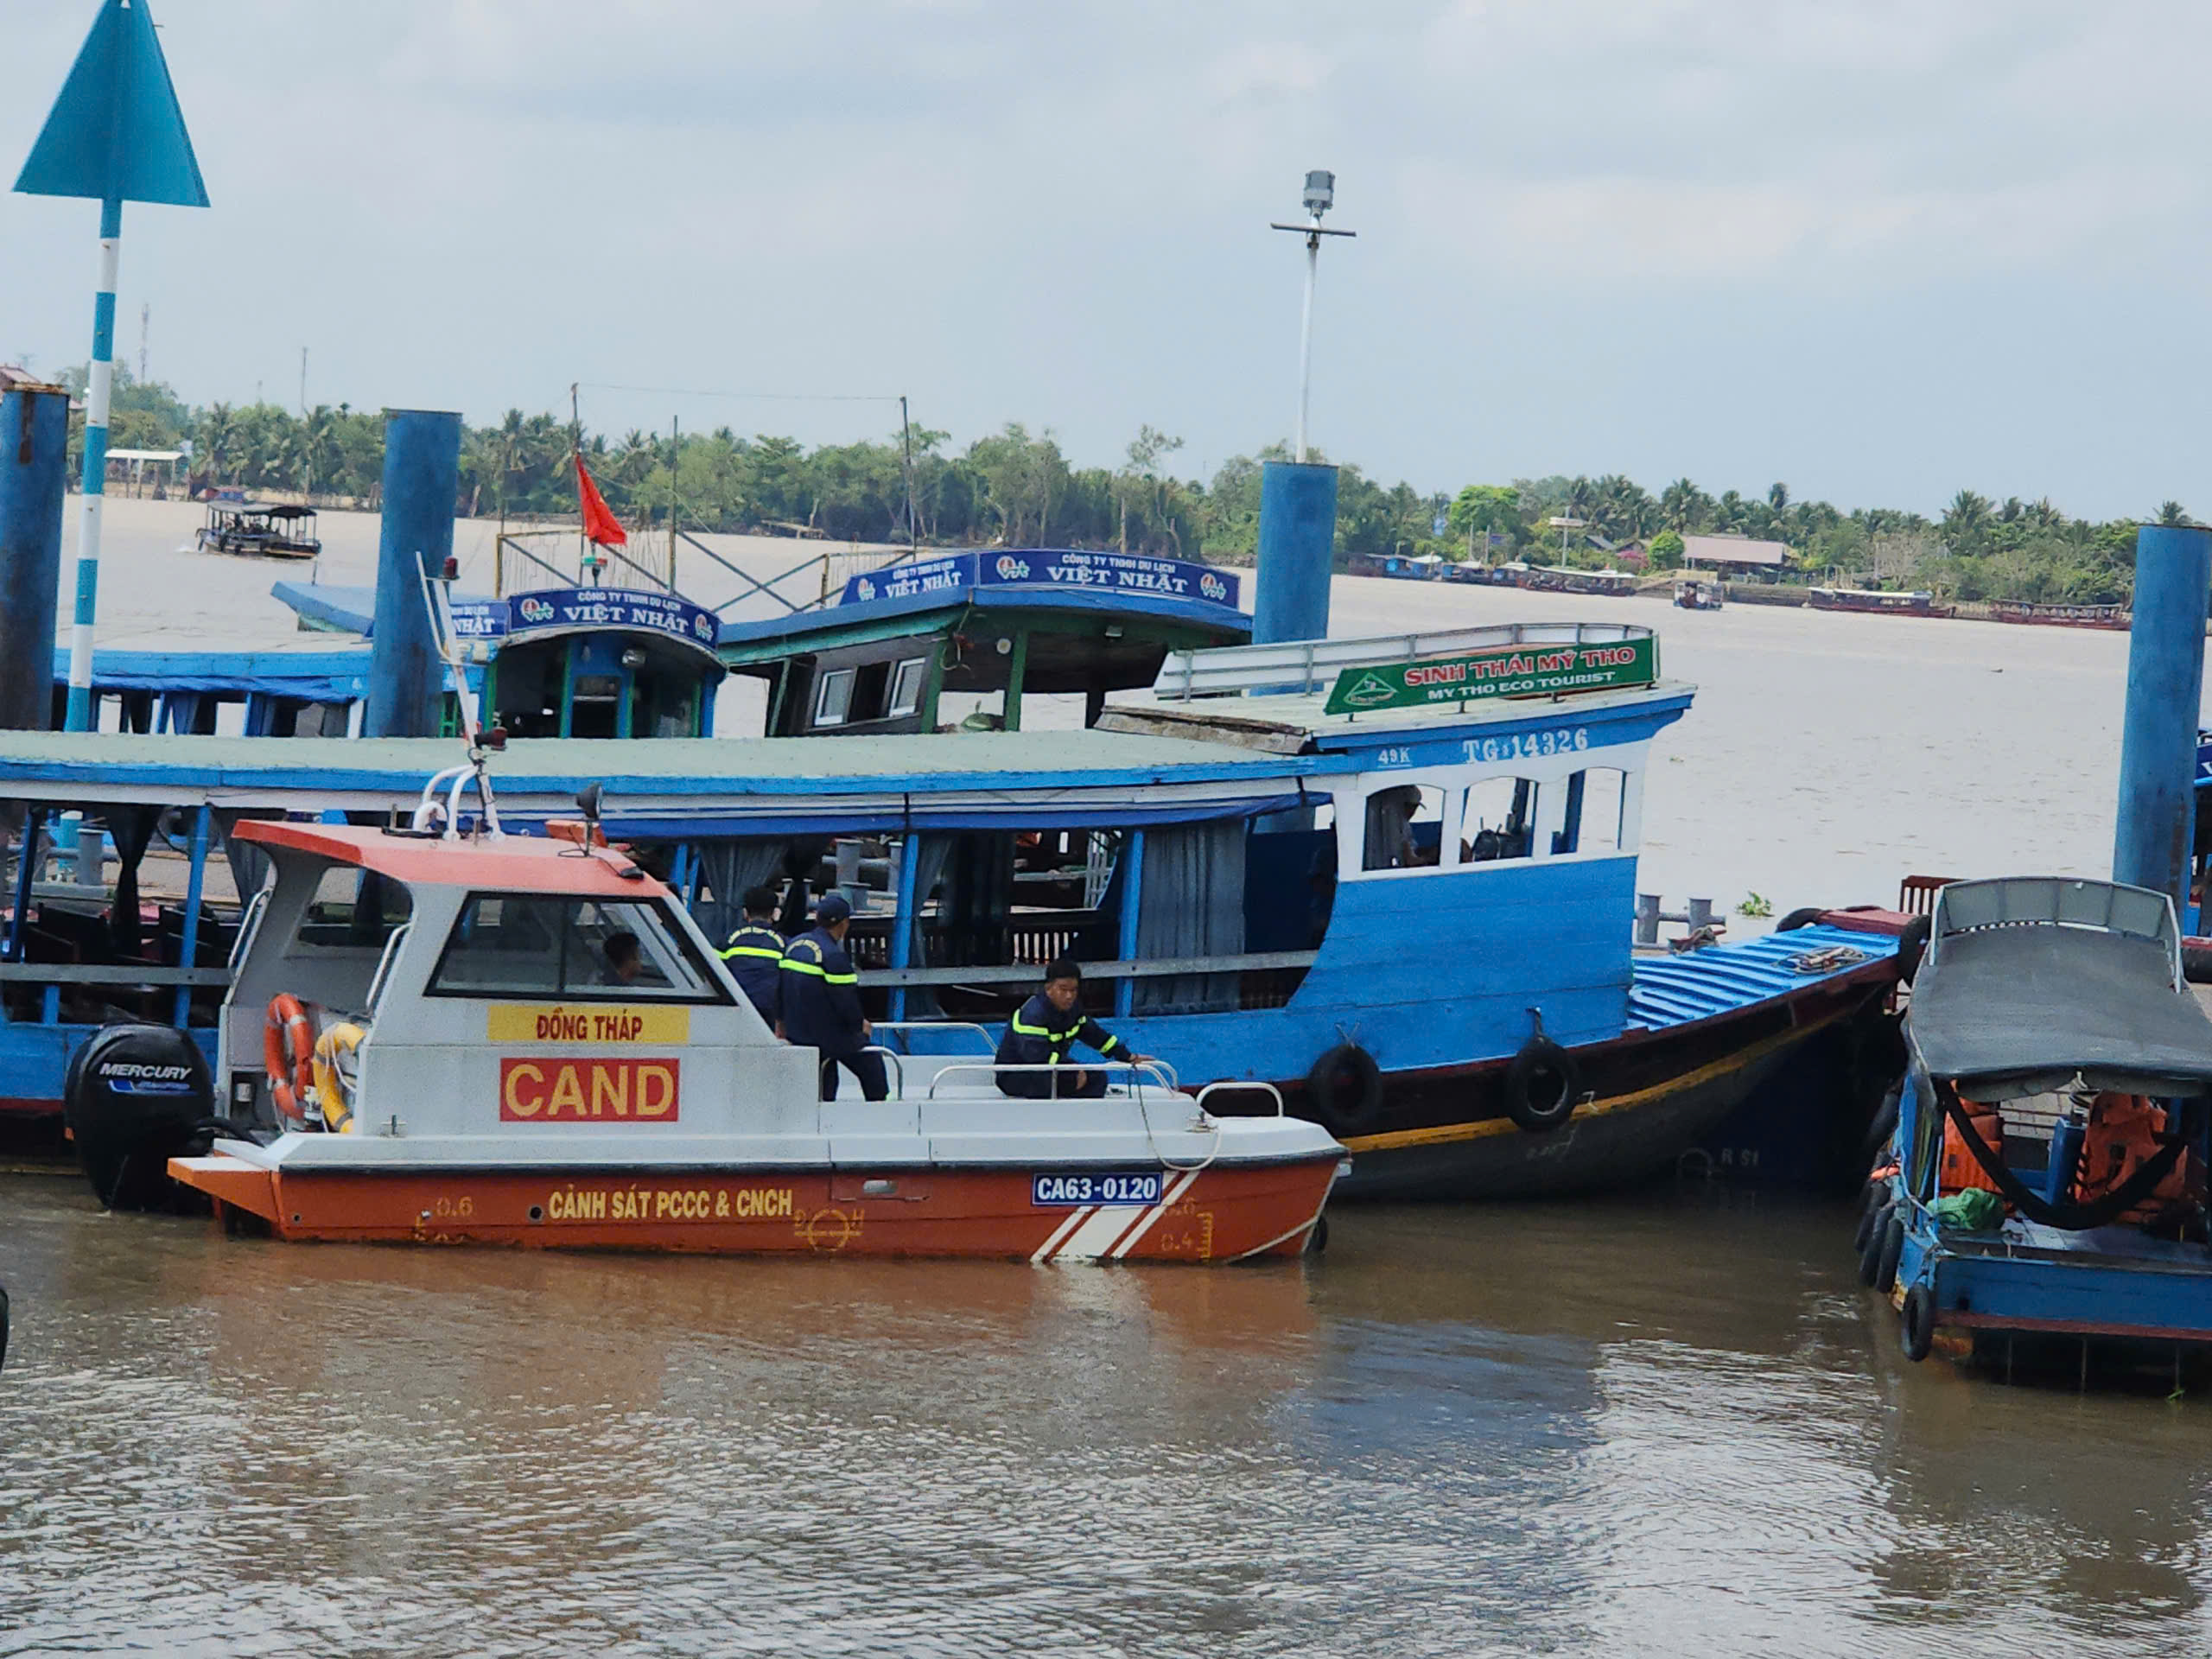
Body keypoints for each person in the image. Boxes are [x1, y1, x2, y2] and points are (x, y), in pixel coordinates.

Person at [780, 893, 887, 1101]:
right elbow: (847, 1002)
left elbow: (779, 987)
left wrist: (780, 1022)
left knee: (827, 1075)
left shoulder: (795, 945)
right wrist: (860, 1028)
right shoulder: (833, 956)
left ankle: (825, 1109)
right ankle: (882, 1109)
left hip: (797, 1031)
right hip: (825, 1035)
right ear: (844, 923)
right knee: (871, 1062)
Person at [995, 959, 1151, 1099]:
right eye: (1063, 989)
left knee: (1098, 1079)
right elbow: (1038, 1057)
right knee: (1067, 1081)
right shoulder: (1033, 1015)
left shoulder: (1073, 1011)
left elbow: (1096, 1036)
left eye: (1074, 990)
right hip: (1016, 1074)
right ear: (1048, 988)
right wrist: (1073, 1069)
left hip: (1050, 1070)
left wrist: (1128, 1056)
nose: (1069, 996)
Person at [718, 885, 785, 1031]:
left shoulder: (729, 940)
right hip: (768, 1015)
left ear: (745, 913)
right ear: (774, 913)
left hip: (734, 1011)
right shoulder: (782, 943)